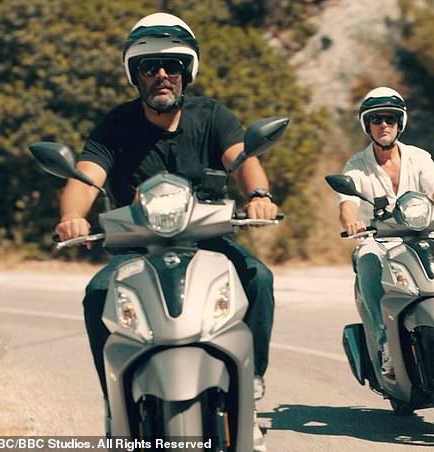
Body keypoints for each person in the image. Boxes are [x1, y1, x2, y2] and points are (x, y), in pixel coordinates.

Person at [55, 12, 274, 447]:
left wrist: (260, 194)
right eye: (148, 67)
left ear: (186, 72)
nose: (160, 75)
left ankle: (251, 382)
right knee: (97, 294)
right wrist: (72, 217)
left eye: (171, 66)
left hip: (209, 242)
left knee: (259, 278)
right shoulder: (115, 126)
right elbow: (85, 179)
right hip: (137, 249)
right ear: (134, 75)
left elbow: (241, 159)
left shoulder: (211, 116)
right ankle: (114, 400)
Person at [337, 86, 434, 376]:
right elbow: (347, 203)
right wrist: (351, 222)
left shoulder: (419, 157)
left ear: (400, 123)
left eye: (390, 118)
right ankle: (386, 343)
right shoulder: (356, 166)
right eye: (376, 119)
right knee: (367, 260)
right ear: (367, 125)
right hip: (378, 240)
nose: (383, 124)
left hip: (420, 234)